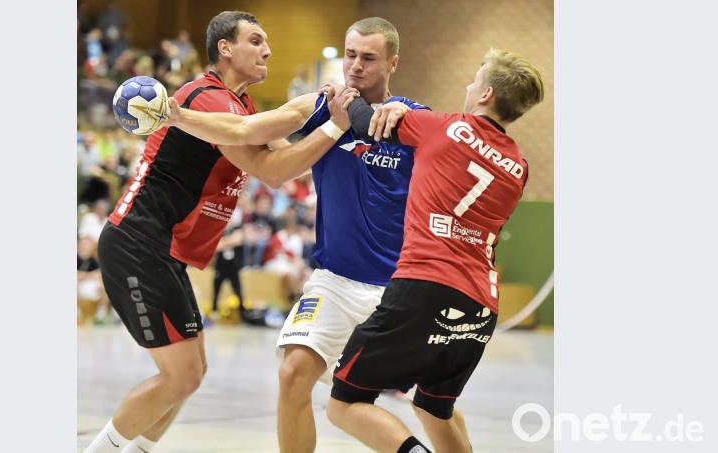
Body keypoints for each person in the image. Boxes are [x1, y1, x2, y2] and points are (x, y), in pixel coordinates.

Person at [82, 11, 353, 453]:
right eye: (256, 40)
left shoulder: (241, 106)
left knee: (191, 374)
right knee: (181, 375)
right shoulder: (207, 97)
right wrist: (323, 114)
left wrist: (334, 126)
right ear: (225, 48)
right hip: (138, 242)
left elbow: (287, 164)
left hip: (163, 252)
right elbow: (267, 161)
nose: (268, 50)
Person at [166, 16, 428, 453]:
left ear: (393, 63)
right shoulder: (319, 106)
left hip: (396, 287)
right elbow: (243, 130)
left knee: (432, 403)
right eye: (350, 55)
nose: (355, 66)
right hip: (334, 281)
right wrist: (175, 115)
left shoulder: (415, 119)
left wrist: (407, 115)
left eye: (368, 58)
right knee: (292, 374)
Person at [325, 48, 545, 453]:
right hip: (481, 304)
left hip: (424, 287)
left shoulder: (441, 127)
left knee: (344, 404)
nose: (468, 86)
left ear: (486, 94)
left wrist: (346, 95)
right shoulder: (519, 166)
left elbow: (364, 122)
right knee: (434, 408)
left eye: (475, 80)